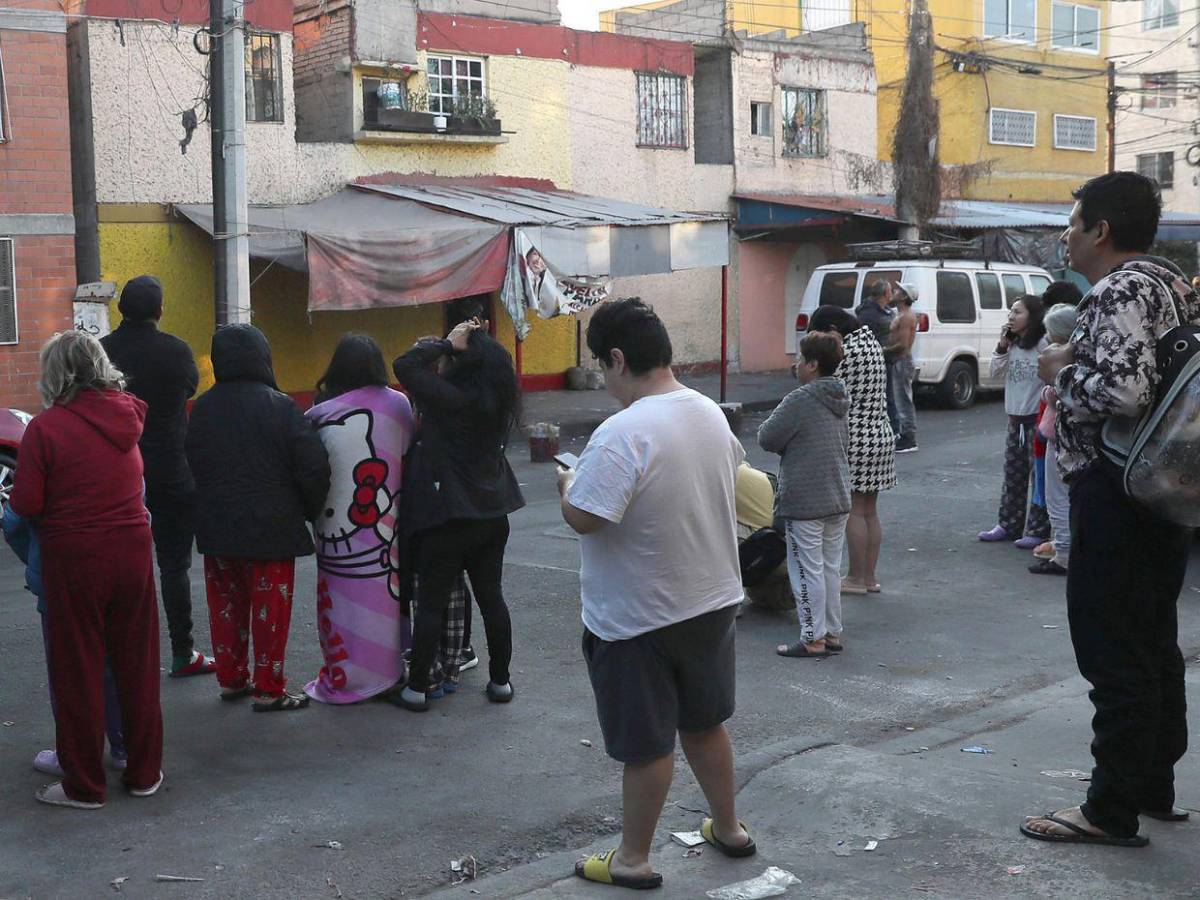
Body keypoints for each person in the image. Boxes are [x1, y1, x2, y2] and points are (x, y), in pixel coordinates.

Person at [1024, 172, 1200, 847]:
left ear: (1101, 230)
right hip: (1159, 488)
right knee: (1152, 644)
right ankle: (1151, 787)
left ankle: (1110, 809)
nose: (1067, 234)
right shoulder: (1167, 285)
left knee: (1114, 650)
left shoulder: (1121, 288)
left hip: (1116, 487)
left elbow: (1123, 394)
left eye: (1073, 222)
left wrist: (1061, 370)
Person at [558, 298, 754, 891]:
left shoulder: (622, 432)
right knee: (704, 723)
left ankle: (633, 860)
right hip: (711, 599)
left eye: (601, 364)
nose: (603, 378)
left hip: (639, 616)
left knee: (646, 746)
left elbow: (587, 518)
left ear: (618, 359)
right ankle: (730, 828)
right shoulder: (708, 412)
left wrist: (568, 483)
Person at [10, 331, 163, 808]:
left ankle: (84, 786)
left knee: (78, 669)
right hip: (133, 550)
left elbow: (26, 503)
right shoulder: (130, 414)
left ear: (56, 372)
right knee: (136, 663)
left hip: (75, 557)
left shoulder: (47, 428)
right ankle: (144, 771)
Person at [185, 324, 331, 712]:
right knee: (270, 613)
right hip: (272, 528)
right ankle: (269, 688)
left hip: (217, 525)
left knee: (226, 608)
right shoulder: (280, 405)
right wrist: (306, 510)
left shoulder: (202, 408)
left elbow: (192, 463)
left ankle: (232, 679)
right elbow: (314, 465)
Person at [391, 318, 524, 712]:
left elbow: (404, 366)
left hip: (449, 516)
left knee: (431, 602)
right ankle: (501, 681)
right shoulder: (497, 401)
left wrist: (446, 343)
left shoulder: (450, 399)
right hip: (493, 515)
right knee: (492, 599)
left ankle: (416, 689)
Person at [100, 275, 215, 678]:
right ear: (160, 311)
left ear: (121, 310)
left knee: (117, 569)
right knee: (173, 566)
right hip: (169, 472)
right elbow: (188, 392)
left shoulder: (101, 353)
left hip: (115, 476)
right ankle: (183, 651)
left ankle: (123, 657)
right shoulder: (177, 352)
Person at [303, 334, 415, 704]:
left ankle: (347, 674)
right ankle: (389, 670)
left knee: (342, 603)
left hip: (334, 533)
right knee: (387, 598)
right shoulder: (399, 406)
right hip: (388, 528)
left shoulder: (320, 414)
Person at [3, 501, 127, 778]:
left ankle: (75, 756)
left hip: (58, 576)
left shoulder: (43, 458)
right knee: (113, 664)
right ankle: (124, 746)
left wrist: (36, 561)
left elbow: (14, 520)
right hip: (112, 571)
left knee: (67, 672)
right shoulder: (121, 455)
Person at [758, 330, 850, 658]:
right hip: (837, 494)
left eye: (799, 359)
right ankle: (832, 632)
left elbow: (767, 437)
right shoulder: (840, 396)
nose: (796, 365)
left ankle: (812, 637)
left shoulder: (800, 399)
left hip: (805, 498)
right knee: (829, 567)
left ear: (812, 364)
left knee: (805, 569)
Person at [808, 306, 896, 595]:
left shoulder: (848, 352)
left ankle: (856, 578)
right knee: (870, 510)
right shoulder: (870, 341)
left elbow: (823, 382)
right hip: (880, 435)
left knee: (855, 511)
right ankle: (869, 577)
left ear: (834, 328)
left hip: (856, 439)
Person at [978, 295, 1050, 547]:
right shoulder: (1012, 345)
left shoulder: (1043, 343)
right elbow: (993, 374)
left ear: (1032, 316)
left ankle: (1038, 529)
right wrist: (1001, 346)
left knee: (1038, 478)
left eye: (1017, 312)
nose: (1011, 317)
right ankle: (1008, 524)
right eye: (1010, 312)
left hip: (1037, 422)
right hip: (1015, 420)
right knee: (1012, 475)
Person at [1028, 304, 1078, 576]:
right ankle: (1064, 548)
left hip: (1059, 435)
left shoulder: (1064, 359)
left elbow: (1058, 396)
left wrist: (1049, 389)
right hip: (1063, 435)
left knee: (1057, 496)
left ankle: (1064, 554)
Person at [855, 280, 899, 436]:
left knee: (889, 395)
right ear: (885, 294)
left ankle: (892, 428)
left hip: (888, 358)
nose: (893, 293)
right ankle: (893, 430)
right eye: (891, 291)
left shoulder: (886, 310)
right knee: (885, 396)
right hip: (876, 359)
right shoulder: (869, 314)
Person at [889, 283, 919, 453]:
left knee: (903, 399)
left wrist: (883, 351)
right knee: (899, 398)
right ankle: (903, 434)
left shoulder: (906, 317)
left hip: (902, 360)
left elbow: (903, 345)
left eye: (898, 290)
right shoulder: (899, 314)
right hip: (898, 361)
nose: (894, 292)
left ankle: (909, 438)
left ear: (904, 296)